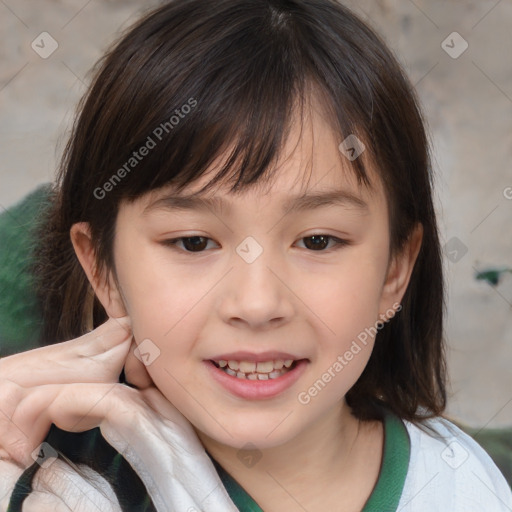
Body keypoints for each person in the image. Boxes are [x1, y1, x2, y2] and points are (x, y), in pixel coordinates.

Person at [0, 0, 511, 510]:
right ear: (103, 271)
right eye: (194, 242)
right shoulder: (63, 495)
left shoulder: (463, 481)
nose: (258, 302)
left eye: (317, 241)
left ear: (394, 271)